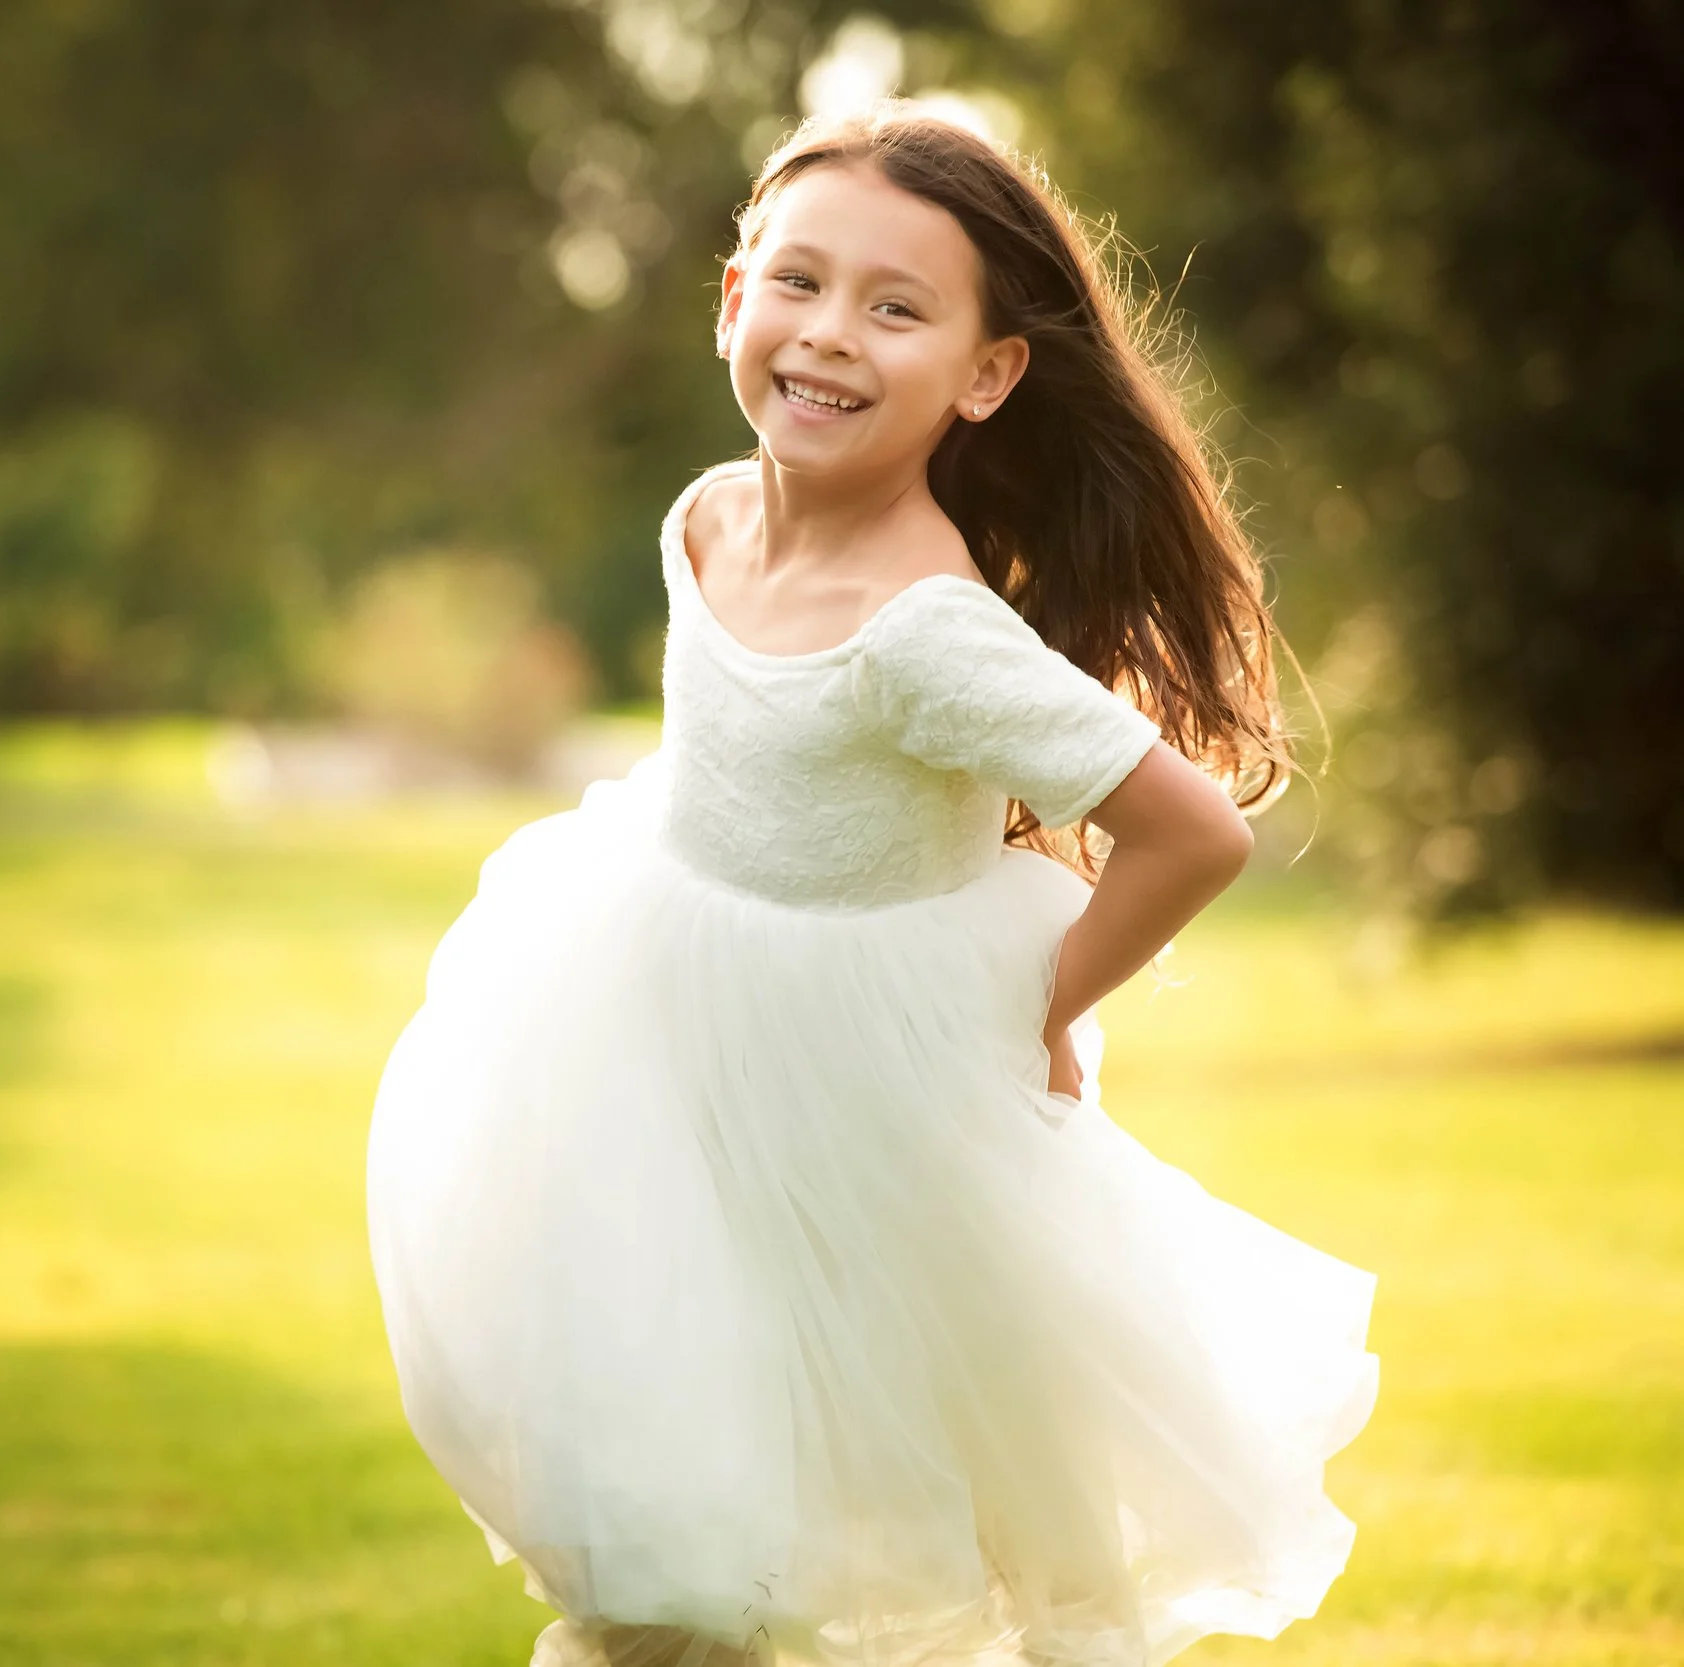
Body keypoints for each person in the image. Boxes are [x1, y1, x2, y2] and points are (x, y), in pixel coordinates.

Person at [363, 106, 1380, 1667]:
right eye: (800, 283)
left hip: (872, 1092)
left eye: (897, 308)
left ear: (985, 375)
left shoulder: (930, 630)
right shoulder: (705, 518)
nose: (831, 335)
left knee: (951, 1503)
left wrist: (1041, 1011)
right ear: (732, 301)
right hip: (654, 1022)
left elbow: (1193, 832)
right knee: (670, 1455)